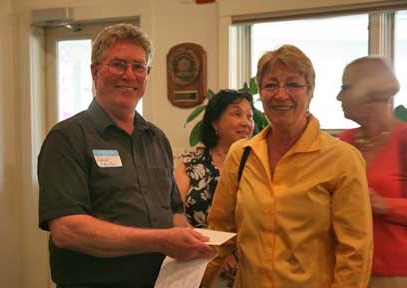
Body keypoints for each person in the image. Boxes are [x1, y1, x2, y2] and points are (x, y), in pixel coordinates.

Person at [37, 23, 212, 288]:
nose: (129, 75)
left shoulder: (157, 139)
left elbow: (174, 211)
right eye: (118, 64)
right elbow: (67, 230)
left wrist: (189, 238)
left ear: (147, 74)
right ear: (95, 71)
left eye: (138, 66)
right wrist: (161, 240)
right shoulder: (68, 138)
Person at [201, 44, 373, 288]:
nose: (281, 95)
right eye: (271, 85)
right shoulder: (241, 155)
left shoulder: (342, 159)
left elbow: (355, 252)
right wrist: (198, 281)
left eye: (293, 84)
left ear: (310, 91)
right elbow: (219, 232)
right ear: (261, 92)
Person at [337, 56, 407, 288]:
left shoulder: (404, 139)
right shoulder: (345, 141)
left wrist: (383, 205)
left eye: (345, 88)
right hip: (349, 271)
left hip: (396, 275)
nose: (339, 97)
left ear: (371, 93)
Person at [174, 89, 255, 285]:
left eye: (250, 116)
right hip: (197, 261)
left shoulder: (259, 166)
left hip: (250, 266)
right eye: (236, 114)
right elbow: (176, 214)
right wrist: (216, 252)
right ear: (215, 123)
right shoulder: (189, 163)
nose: (246, 122)